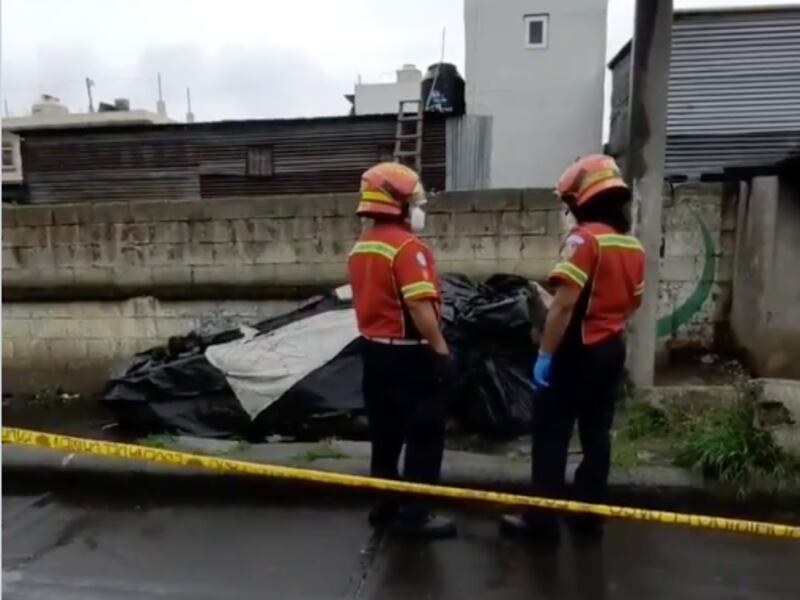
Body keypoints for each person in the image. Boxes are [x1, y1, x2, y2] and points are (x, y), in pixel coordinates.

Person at [501, 154, 645, 542]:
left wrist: (546, 356)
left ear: (582, 202)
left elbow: (563, 305)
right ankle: (588, 517)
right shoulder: (632, 246)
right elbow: (634, 302)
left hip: (577, 352)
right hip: (612, 349)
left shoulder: (584, 240)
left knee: (551, 437)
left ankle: (541, 523)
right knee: (597, 435)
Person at [347, 162, 457, 539]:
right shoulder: (409, 249)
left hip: (373, 352)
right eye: (415, 201)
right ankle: (416, 514)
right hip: (411, 354)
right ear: (399, 205)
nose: (419, 208)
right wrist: (441, 351)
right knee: (425, 436)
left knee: (385, 435)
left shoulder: (363, 248)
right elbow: (419, 306)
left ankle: (385, 504)